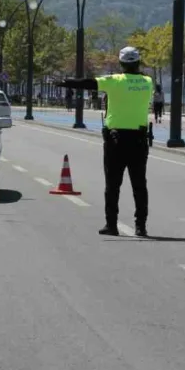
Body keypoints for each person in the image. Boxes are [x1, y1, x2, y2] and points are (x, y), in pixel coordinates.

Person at [59, 46, 154, 237]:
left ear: (121, 63)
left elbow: (88, 83)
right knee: (139, 185)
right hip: (139, 140)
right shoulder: (148, 82)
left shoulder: (115, 81)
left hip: (115, 140)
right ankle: (140, 226)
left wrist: (65, 82)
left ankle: (111, 225)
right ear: (138, 62)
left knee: (112, 185)